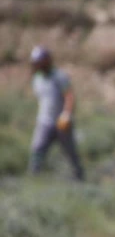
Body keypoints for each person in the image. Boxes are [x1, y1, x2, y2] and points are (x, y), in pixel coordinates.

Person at [28, 45, 86, 181]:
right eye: (36, 62)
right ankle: (33, 179)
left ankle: (79, 178)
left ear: (47, 60)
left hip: (61, 122)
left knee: (70, 152)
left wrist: (66, 114)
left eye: (40, 61)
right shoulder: (36, 79)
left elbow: (69, 96)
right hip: (44, 122)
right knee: (37, 149)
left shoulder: (59, 76)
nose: (38, 65)